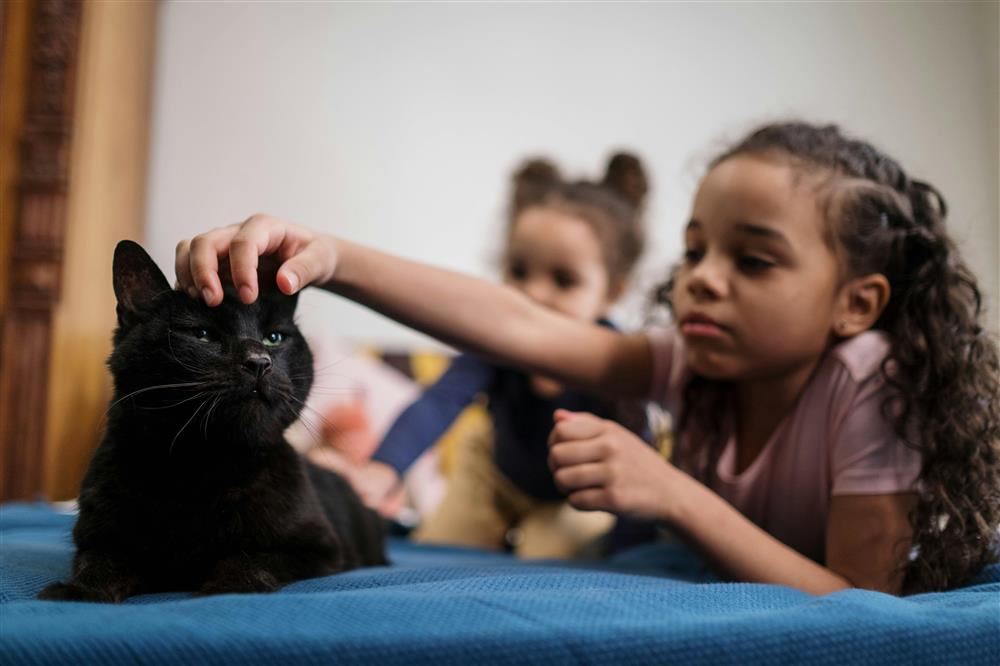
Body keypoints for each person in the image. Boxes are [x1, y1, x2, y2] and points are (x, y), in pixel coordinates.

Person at [175, 122, 1000, 595]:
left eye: (752, 260)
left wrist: (674, 495)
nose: (701, 281)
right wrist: (331, 255)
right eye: (694, 250)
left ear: (858, 302)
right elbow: (519, 326)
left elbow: (865, 607)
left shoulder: (872, 381)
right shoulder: (700, 363)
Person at [338, 154, 650, 558]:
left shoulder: (617, 363)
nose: (534, 293)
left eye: (563, 280)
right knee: (437, 550)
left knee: (554, 560)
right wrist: (383, 469)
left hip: (569, 498)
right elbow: (438, 402)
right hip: (491, 473)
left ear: (612, 293)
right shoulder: (498, 344)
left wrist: (633, 554)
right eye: (519, 271)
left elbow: (635, 460)